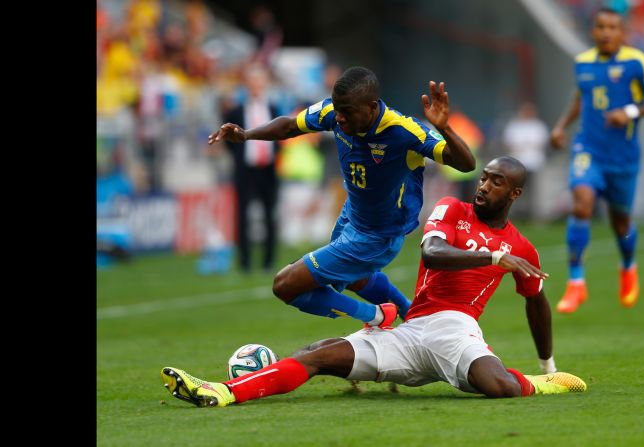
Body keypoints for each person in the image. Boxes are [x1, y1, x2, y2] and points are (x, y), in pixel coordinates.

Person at [161, 157, 586, 407]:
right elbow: (432, 253)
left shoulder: (523, 248)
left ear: (514, 195)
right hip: (413, 328)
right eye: (484, 176)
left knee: (504, 389)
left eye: (497, 183)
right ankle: (220, 391)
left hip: (456, 330)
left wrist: (547, 362)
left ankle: (543, 382)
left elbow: (536, 301)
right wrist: (493, 256)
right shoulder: (454, 209)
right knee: (316, 355)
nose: (485, 186)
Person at [208, 66, 476, 329]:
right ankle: (414, 316)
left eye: (346, 112)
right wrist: (246, 134)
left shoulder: (405, 131)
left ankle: (377, 316)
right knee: (355, 278)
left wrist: (446, 129)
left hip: (378, 235)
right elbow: (290, 126)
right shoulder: (335, 111)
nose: (338, 118)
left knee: (285, 285)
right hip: (352, 216)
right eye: (336, 109)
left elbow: (466, 164)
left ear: (371, 108)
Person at [550, 7, 644, 314]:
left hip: (623, 157)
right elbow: (581, 98)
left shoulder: (637, 61)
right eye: (601, 27)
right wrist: (561, 127)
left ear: (622, 32)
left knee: (621, 223)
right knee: (582, 203)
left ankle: (628, 267)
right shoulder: (583, 63)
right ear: (594, 31)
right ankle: (576, 283)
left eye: (612, 27)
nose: (606, 32)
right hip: (588, 149)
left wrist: (629, 112)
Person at [210, 65, 280, 273]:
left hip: (267, 168)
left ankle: (269, 261)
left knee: (269, 215)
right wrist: (240, 157)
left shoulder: (274, 109)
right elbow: (229, 140)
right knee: (242, 215)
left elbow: (280, 136)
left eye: (259, 82)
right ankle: (245, 262)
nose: (256, 86)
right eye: (252, 82)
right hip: (246, 169)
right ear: (247, 86)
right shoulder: (236, 111)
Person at [501, 101, 549, 220]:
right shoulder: (514, 126)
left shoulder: (538, 125)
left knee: (534, 191)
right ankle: (516, 214)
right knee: (515, 191)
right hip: (517, 164)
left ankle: (534, 215)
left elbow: (541, 143)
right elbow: (508, 143)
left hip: (534, 163)